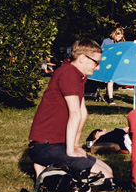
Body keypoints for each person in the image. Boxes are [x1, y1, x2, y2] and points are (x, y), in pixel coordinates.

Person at [28, 40, 114, 180]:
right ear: (82, 58)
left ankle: (48, 169)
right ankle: (47, 172)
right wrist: (70, 151)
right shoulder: (68, 73)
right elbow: (75, 113)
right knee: (105, 176)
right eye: (96, 63)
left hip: (59, 145)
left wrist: (75, 146)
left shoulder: (78, 76)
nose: (98, 68)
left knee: (108, 170)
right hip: (45, 146)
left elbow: (82, 113)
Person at [102, 27, 125, 104]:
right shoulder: (106, 41)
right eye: (119, 36)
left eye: (121, 36)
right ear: (115, 34)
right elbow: (102, 52)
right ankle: (111, 99)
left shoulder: (120, 43)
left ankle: (107, 95)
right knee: (110, 81)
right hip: (108, 63)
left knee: (111, 81)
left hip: (116, 64)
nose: (120, 38)